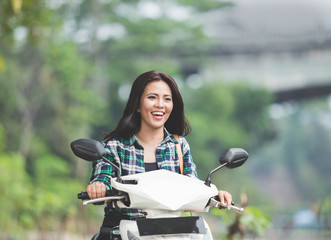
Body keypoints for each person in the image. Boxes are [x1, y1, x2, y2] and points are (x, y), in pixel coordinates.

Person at [86, 70, 232, 240]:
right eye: (152, 97)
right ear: (138, 104)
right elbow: (102, 177)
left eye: (167, 99)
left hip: (168, 234)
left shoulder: (179, 146)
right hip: (123, 233)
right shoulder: (114, 147)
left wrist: (215, 195)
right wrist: (98, 187)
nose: (160, 105)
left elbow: (192, 187)